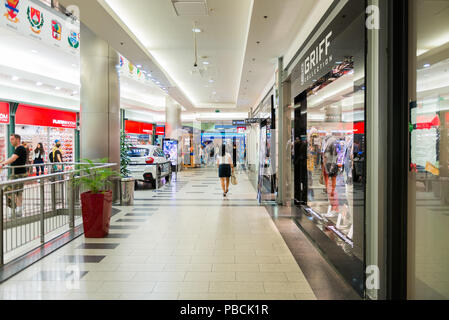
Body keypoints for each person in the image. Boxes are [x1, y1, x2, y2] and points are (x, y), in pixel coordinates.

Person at [0, 134, 28, 218]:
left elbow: (13, 158)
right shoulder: (19, 148)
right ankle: (19, 210)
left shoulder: (20, 148)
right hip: (19, 173)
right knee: (18, 192)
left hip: (17, 174)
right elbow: (13, 158)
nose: (10, 141)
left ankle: (16, 209)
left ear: (17, 139)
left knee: (7, 190)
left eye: (12, 139)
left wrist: (3, 164)